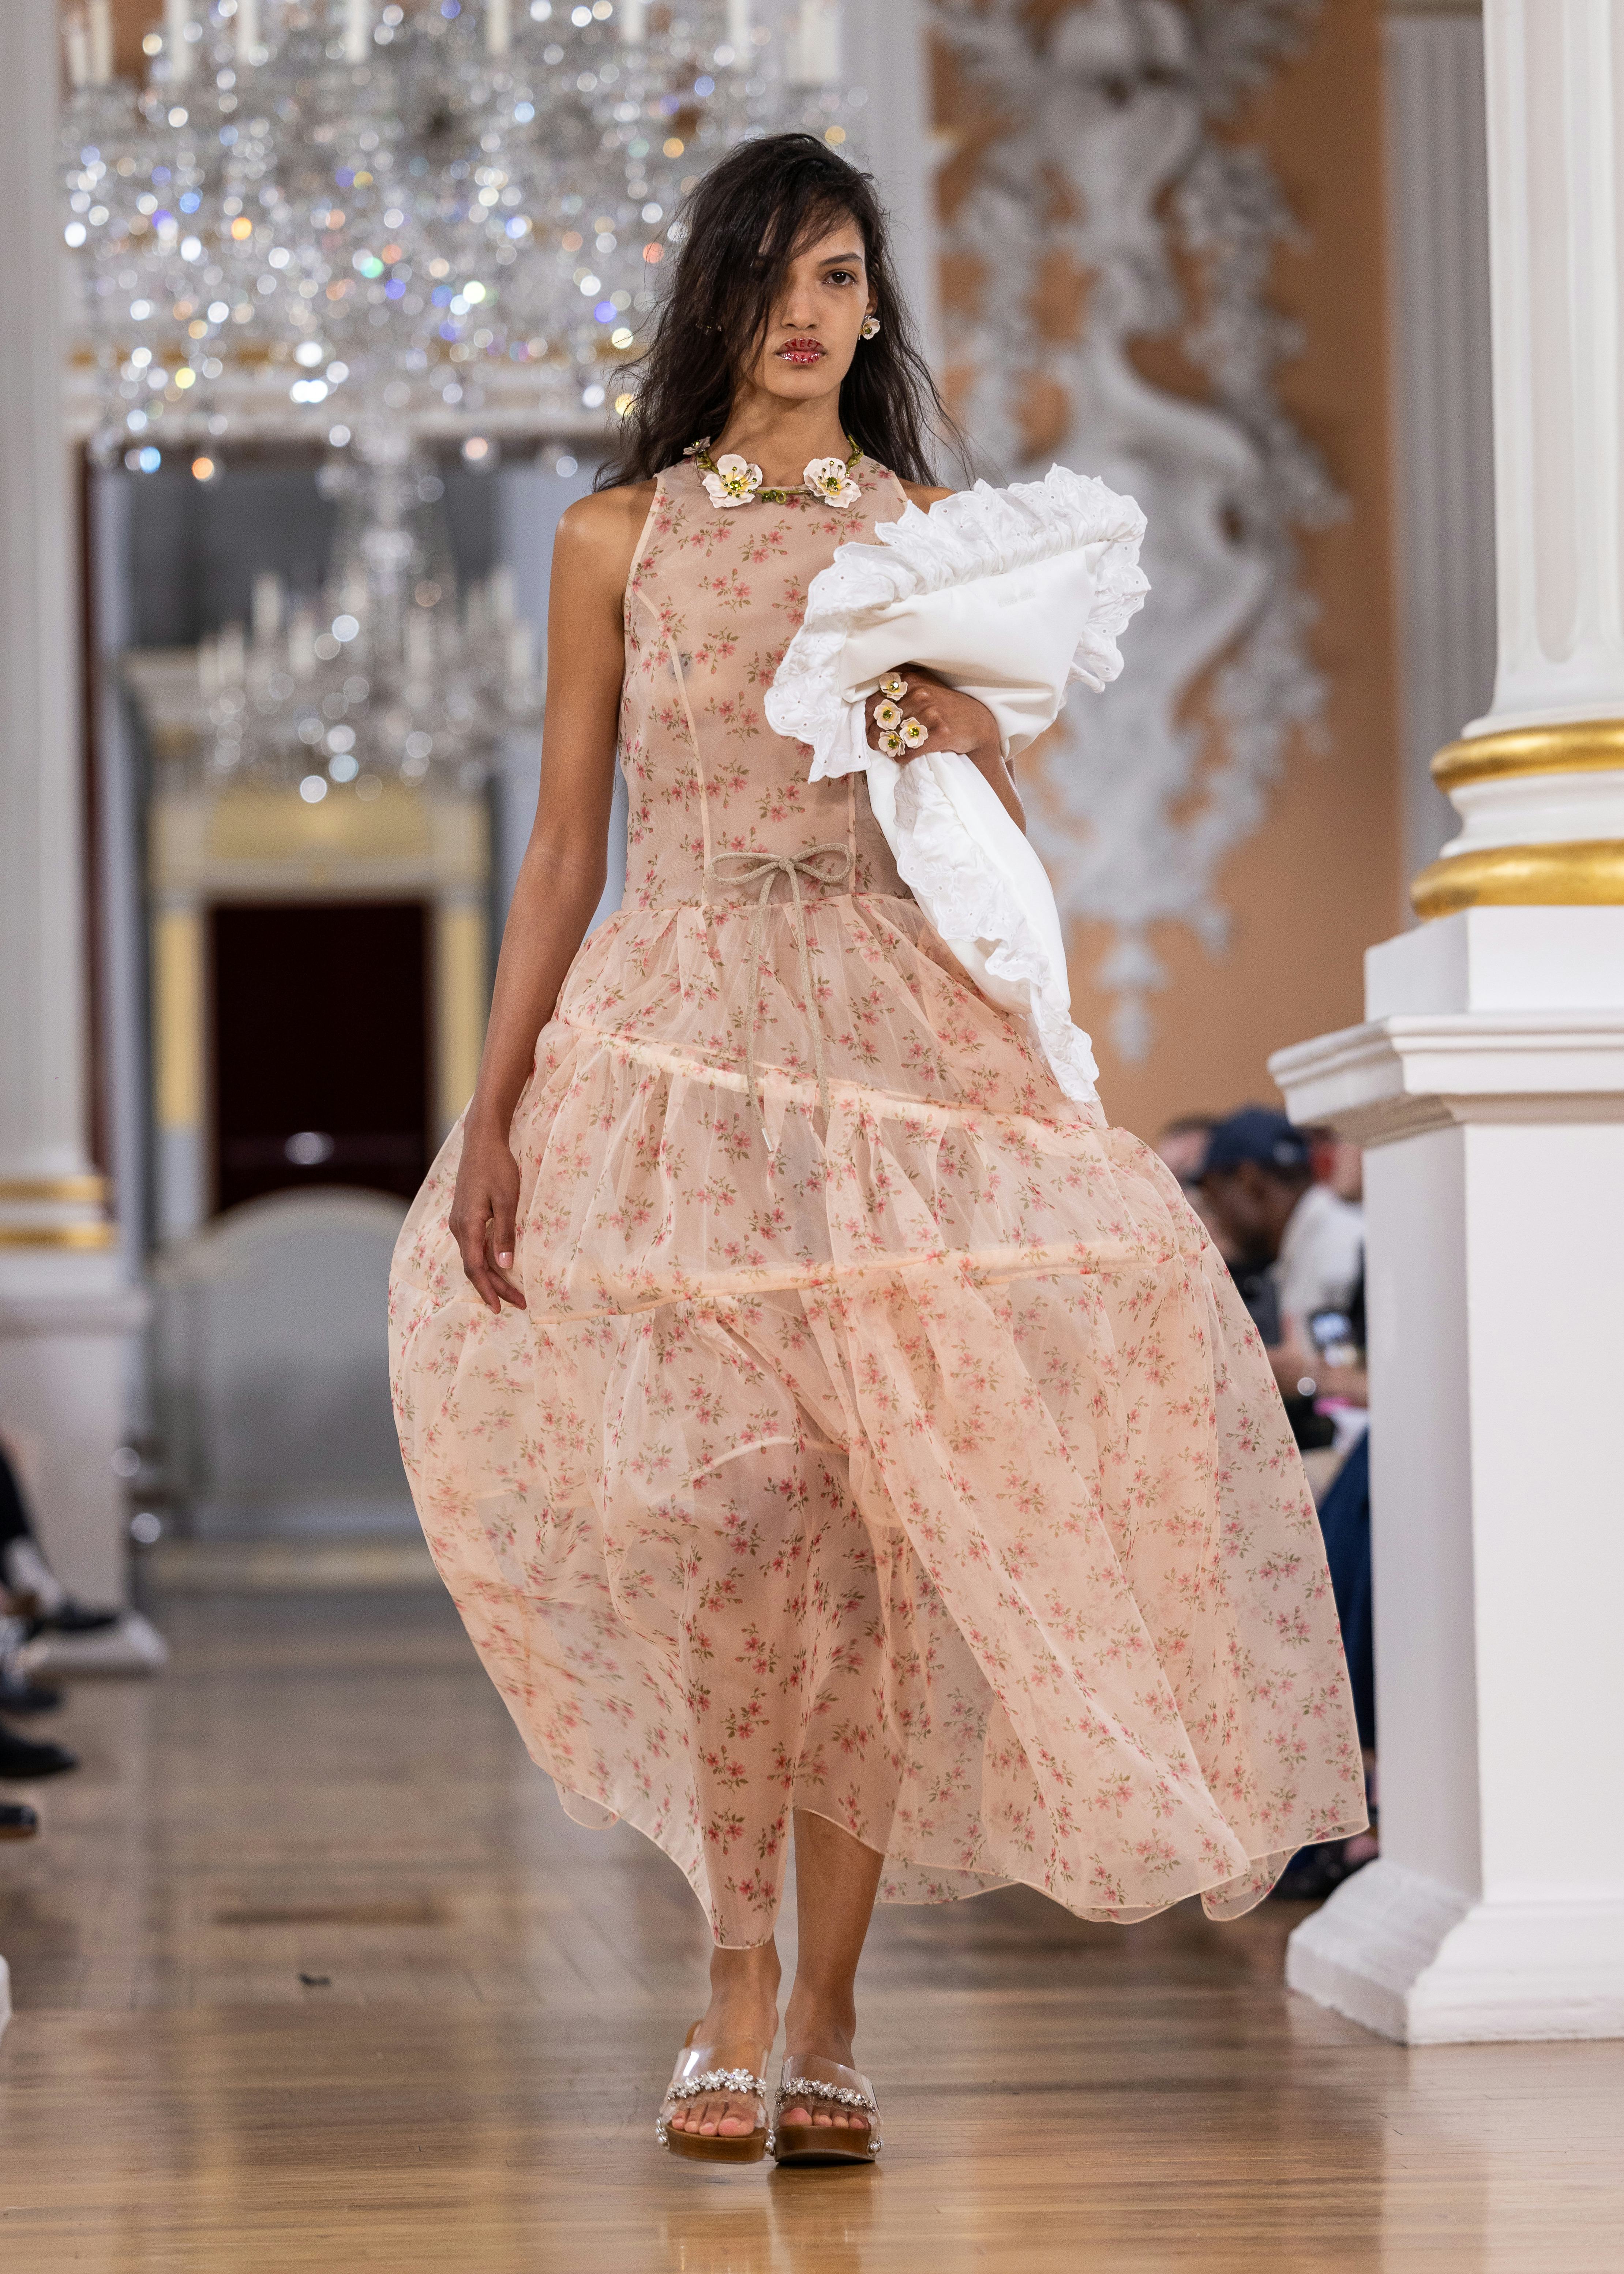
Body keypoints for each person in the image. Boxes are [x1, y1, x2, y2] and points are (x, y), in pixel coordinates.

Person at [389, 134, 1365, 2170]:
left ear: (870, 301)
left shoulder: (922, 533)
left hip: (891, 1049)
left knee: (864, 1542)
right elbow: (562, 842)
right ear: (717, 299)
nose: (810, 311)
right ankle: (730, 1966)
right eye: (776, 274)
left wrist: (954, 719)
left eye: (839, 274)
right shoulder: (613, 538)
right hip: (672, 1057)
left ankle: (823, 2006)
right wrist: (497, 1107)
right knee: (731, 1522)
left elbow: (975, 805)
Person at [1198, 1107, 1364, 1400]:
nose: (1216, 1220)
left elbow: (1352, 1378)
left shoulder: (1341, 1248)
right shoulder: (1310, 1240)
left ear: (1249, 1182)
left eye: (1214, 1202)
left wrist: (1297, 1377)